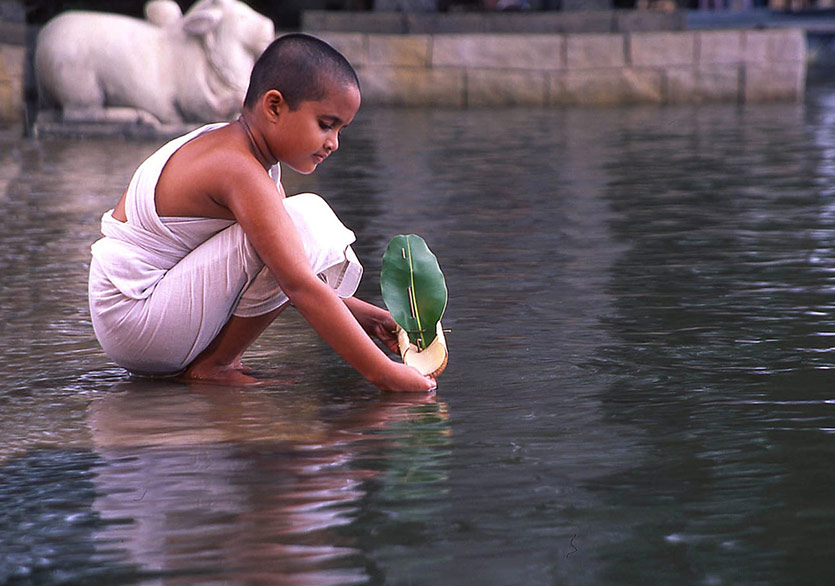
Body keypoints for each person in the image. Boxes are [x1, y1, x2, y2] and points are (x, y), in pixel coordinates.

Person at [88, 33, 436, 392]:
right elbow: (297, 283)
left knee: (293, 228)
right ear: (274, 107)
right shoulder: (239, 169)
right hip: (136, 318)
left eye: (340, 130)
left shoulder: (250, 160)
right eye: (326, 125)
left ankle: (214, 361)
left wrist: (366, 317)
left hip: (135, 319)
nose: (334, 143)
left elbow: (284, 270)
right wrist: (386, 374)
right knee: (308, 220)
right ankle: (215, 365)